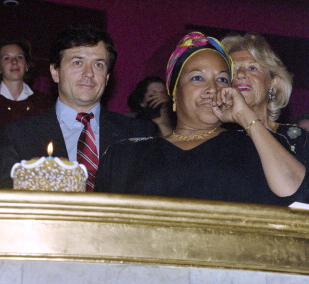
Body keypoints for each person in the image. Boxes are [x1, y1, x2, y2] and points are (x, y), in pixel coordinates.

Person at [95, 31, 308, 206]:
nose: (212, 88)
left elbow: (295, 192)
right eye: (198, 78)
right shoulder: (125, 156)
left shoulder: (258, 146)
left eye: (222, 79)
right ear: (175, 93)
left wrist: (246, 118)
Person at [0, 24, 156, 191]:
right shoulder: (17, 136)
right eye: (77, 63)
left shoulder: (140, 134)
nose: (89, 73)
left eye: (98, 65)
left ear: (107, 77)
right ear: (55, 72)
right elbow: (4, 209)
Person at [221, 32, 308, 155]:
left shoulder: (297, 139)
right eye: (233, 70)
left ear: (273, 82)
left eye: (252, 68)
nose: (240, 74)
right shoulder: (216, 139)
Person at [0, 39, 51, 125]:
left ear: (26, 65)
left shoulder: (44, 102)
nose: (14, 62)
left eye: (19, 57)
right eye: (7, 58)